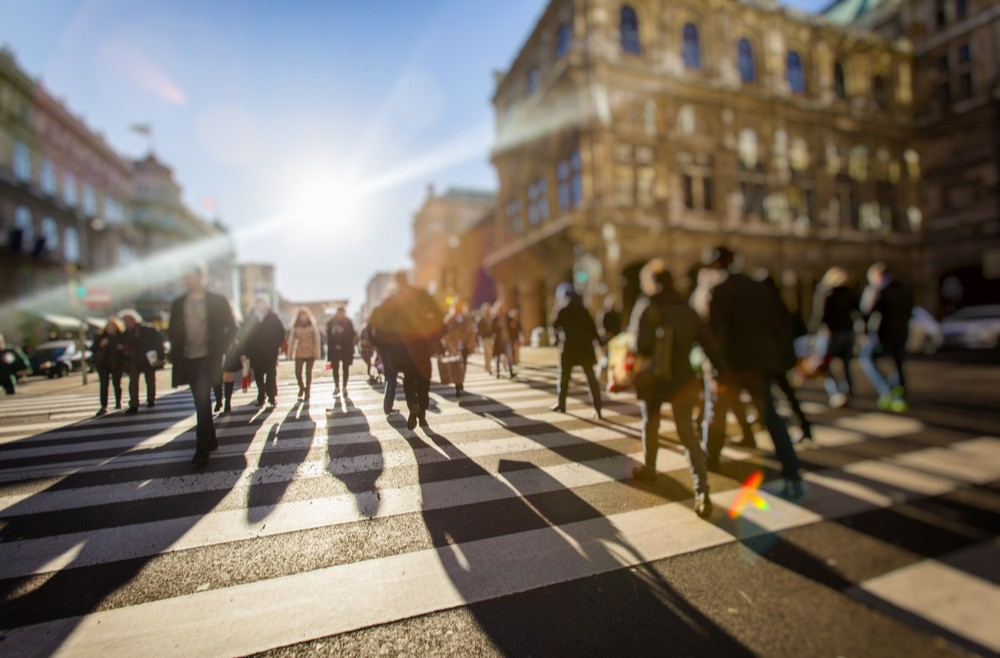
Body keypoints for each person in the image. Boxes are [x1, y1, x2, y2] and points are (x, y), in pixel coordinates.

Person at [701, 246, 803, 498]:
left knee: (717, 414)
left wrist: (716, 364)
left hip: (730, 365)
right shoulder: (758, 288)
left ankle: (710, 459)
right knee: (770, 415)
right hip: (759, 363)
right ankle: (791, 466)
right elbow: (777, 323)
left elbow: (714, 333)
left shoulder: (718, 290)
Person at [628, 260, 723, 518]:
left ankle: (650, 468)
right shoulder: (688, 308)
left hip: (655, 379)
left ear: (652, 282)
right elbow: (707, 342)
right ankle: (702, 491)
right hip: (683, 378)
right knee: (688, 435)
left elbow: (640, 345)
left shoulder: (647, 305)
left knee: (651, 423)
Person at [168, 263, 237, 466]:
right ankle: (211, 438)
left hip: (209, 358)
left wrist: (221, 349)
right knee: (202, 400)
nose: (186, 280)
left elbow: (232, 328)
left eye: (190, 276)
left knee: (202, 400)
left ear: (200, 276)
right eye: (184, 276)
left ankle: (201, 448)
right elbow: (172, 330)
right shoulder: (179, 303)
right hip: (188, 358)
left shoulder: (217, 301)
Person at [369, 271, 443, 430]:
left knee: (409, 380)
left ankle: (413, 407)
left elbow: (374, 321)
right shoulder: (421, 294)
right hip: (421, 344)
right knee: (423, 380)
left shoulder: (391, 300)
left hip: (401, 347)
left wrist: (383, 340)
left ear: (396, 281)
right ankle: (422, 415)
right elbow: (438, 313)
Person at [859, 262, 914, 412]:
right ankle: (898, 397)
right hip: (901, 332)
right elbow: (910, 311)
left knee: (866, 358)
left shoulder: (881, 291)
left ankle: (885, 389)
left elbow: (869, 313)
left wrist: (864, 332)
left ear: (878, 276)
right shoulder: (905, 290)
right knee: (897, 365)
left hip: (883, 334)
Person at [550, 283, 602, 419]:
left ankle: (561, 404)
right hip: (585, 349)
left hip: (569, 348)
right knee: (591, 378)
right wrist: (600, 344)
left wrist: (556, 308)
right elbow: (593, 328)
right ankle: (598, 408)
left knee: (564, 377)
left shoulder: (563, 309)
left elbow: (555, 325)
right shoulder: (583, 309)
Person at [811, 266, 860, 408]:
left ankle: (836, 393)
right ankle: (848, 392)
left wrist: (812, 333)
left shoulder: (826, 293)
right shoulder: (851, 293)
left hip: (830, 333)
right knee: (846, 365)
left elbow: (820, 316)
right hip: (848, 332)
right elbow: (857, 313)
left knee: (824, 365)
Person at [120, 310, 165, 414]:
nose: (127, 323)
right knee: (133, 382)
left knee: (150, 380)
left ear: (135, 320)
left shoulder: (148, 329)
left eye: (128, 320)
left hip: (148, 358)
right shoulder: (125, 333)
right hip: (133, 359)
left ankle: (151, 399)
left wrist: (160, 357)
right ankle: (134, 404)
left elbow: (159, 343)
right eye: (125, 321)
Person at [244, 295, 285, 408]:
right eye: (258, 303)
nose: (260, 305)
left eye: (262, 303)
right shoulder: (251, 317)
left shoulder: (273, 316)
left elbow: (281, 332)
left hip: (270, 351)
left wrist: (275, 344)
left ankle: (272, 397)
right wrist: (247, 351)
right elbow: (245, 335)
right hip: (256, 353)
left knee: (271, 374)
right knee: (258, 376)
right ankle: (261, 395)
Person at [92, 317, 126, 416]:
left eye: (113, 327)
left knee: (117, 383)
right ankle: (103, 406)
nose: (111, 329)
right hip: (103, 364)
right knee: (104, 384)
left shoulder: (121, 336)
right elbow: (93, 348)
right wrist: (101, 345)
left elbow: (125, 348)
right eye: (109, 327)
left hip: (117, 364)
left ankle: (118, 402)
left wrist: (121, 347)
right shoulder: (101, 336)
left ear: (117, 327)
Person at [287, 307, 321, 402]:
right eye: (302, 315)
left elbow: (316, 340)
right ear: (299, 316)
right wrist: (290, 354)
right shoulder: (295, 327)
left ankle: (308, 391)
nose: (303, 317)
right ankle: (301, 387)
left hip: (310, 352)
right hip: (299, 352)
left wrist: (316, 352)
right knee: (298, 372)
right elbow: (292, 341)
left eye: (305, 315)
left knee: (308, 372)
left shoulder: (312, 326)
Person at [442, 302, 474, 397]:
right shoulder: (450, 319)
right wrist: (447, 345)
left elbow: (471, 331)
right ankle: (457, 385)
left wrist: (470, 343)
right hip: (454, 346)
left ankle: (461, 381)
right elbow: (446, 333)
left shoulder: (466, 318)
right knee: (455, 367)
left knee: (463, 365)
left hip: (464, 345)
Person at [326, 306, 356, 397]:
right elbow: (328, 336)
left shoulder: (348, 322)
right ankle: (336, 386)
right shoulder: (331, 322)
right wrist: (334, 331)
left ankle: (344, 387)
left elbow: (352, 335)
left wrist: (343, 331)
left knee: (345, 368)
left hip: (346, 349)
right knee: (335, 368)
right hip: (334, 349)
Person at [491, 301, 517, 379]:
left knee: (509, 356)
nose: (502, 310)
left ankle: (511, 372)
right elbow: (491, 330)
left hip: (507, 340)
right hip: (498, 341)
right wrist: (497, 326)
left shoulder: (508, 318)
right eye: (500, 308)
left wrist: (513, 327)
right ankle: (498, 372)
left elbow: (513, 328)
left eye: (503, 308)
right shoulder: (495, 319)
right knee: (498, 357)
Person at [475, 303, 494, 375]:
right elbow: (478, 329)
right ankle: (488, 367)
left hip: (491, 337)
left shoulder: (491, 319)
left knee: (490, 353)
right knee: (487, 353)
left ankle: (487, 366)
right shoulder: (480, 319)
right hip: (484, 338)